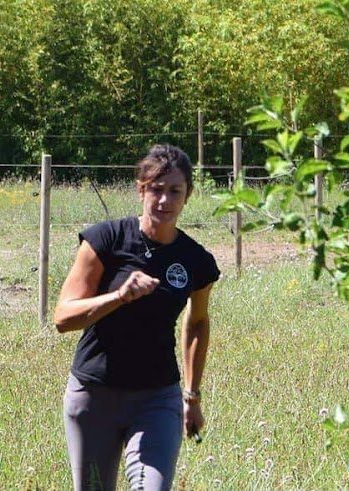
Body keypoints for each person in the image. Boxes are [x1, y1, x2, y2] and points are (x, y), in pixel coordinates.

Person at [53, 144, 220, 491]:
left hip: (157, 398)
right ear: (140, 189)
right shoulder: (105, 240)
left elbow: (198, 323)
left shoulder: (196, 260)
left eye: (175, 191)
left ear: (188, 195)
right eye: (156, 189)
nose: (164, 200)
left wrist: (192, 397)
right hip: (93, 395)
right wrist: (119, 296)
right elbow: (63, 318)